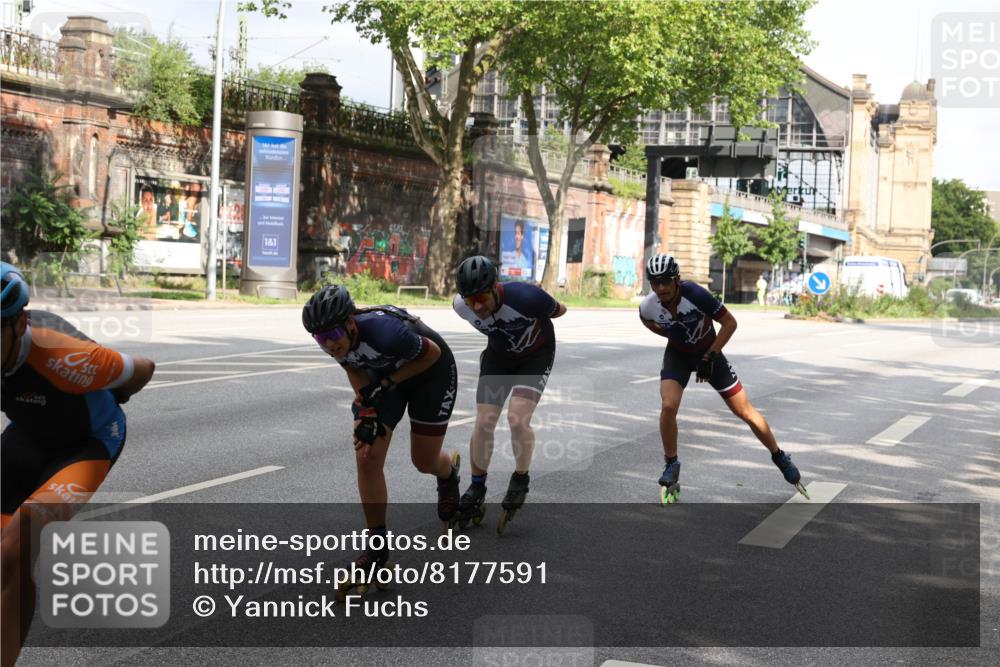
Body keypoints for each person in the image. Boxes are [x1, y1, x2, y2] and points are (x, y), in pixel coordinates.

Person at [1, 262, 155, 667]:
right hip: (28, 435)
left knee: (12, 548)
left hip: (87, 443)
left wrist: (111, 394)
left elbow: (144, 370)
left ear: (18, 324)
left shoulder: (63, 355)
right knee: (7, 562)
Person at [302, 285, 460, 594]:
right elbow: (353, 368)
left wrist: (385, 383)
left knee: (423, 460)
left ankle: (448, 474)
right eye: (320, 340)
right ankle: (377, 546)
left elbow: (433, 354)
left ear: (350, 323)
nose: (329, 344)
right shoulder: (337, 343)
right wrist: (365, 409)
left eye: (332, 335)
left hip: (430, 372)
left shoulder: (385, 332)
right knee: (367, 456)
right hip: (387, 379)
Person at [638, 253, 807, 504]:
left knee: (745, 411)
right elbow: (652, 324)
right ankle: (671, 463)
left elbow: (729, 323)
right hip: (679, 356)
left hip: (710, 352)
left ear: (677, 280)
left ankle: (779, 455)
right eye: (655, 282)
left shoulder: (695, 294)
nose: (661, 288)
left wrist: (710, 356)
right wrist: (678, 338)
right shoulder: (647, 307)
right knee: (668, 405)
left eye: (666, 281)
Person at [452, 256, 566, 533]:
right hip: (499, 358)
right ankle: (477, 486)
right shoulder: (461, 307)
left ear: (494, 288)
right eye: (470, 300)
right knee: (484, 421)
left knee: (517, 418)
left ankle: (521, 478)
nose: (476, 307)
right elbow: (476, 310)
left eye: (481, 297)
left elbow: (560, 310)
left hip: (535, 356)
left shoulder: (527, 297)